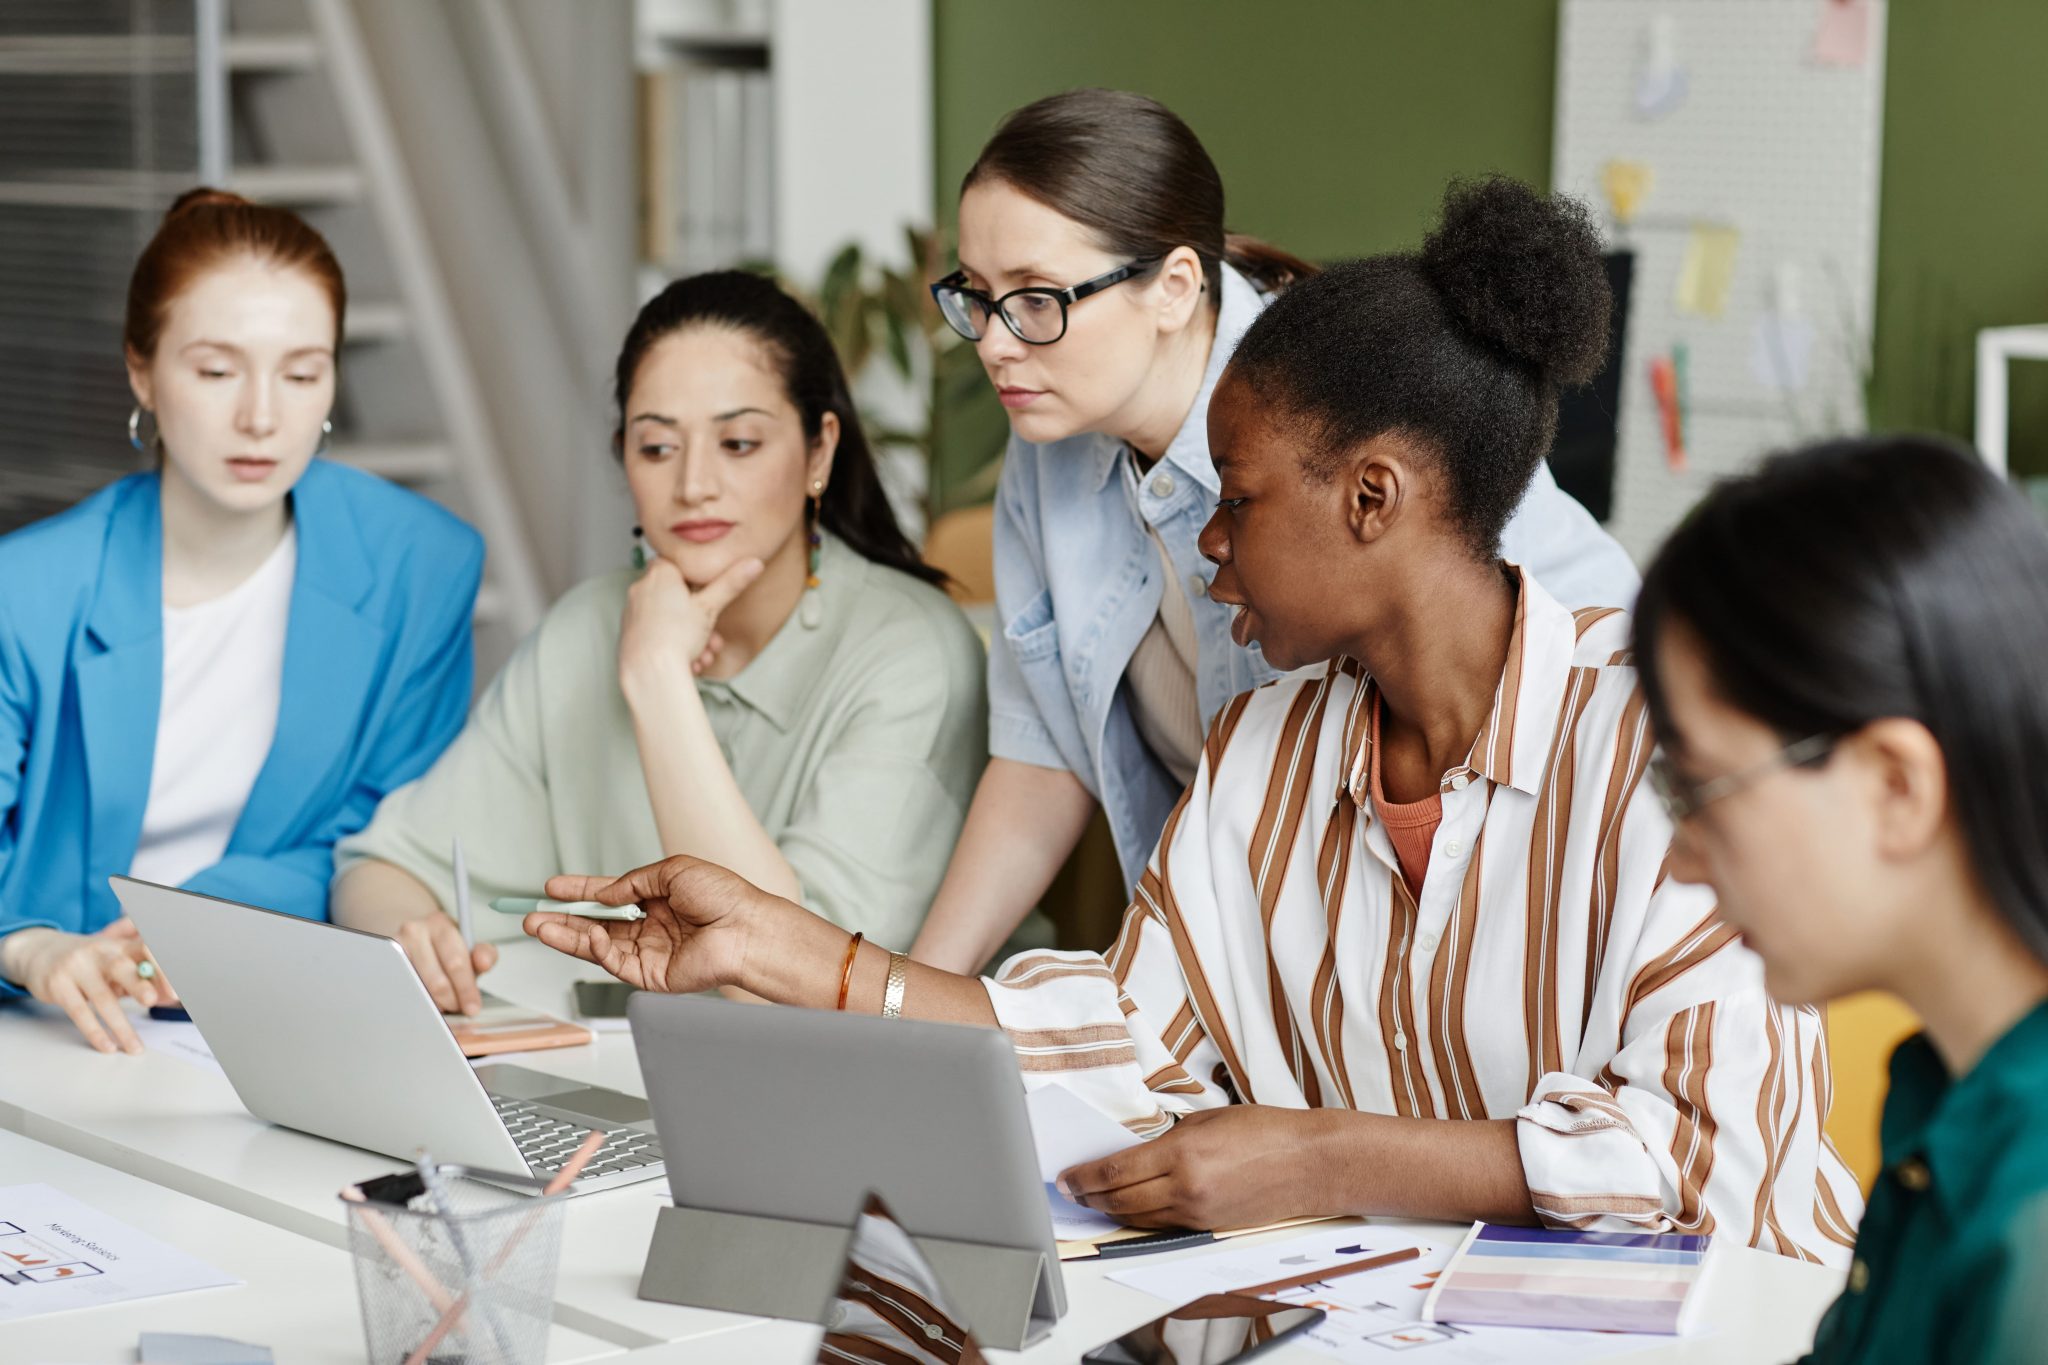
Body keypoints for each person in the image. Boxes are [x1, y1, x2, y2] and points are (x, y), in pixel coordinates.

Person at [520, 179, 1856, 1256]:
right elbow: (1126, 1033)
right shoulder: (1272, 747)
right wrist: (793, 955)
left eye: (1240, 498)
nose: (1203, 543)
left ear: (1373, 501)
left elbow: (1698, 1155)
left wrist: (1313, 1152)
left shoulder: (1677, 744)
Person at [911, 89, 1640, 974]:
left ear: (1175, 286)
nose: (993, 342)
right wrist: (908, 1002)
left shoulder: (1345, 412)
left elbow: (1591, 697)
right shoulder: (1049, 439)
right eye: (976, 297)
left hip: (1456, 916)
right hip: (1245, 936)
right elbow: (1042, 758)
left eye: (1033, 299)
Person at [332, 270, 992, 1014]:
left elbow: (786, 996)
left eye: (738, 442)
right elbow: (379, 865)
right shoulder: (585, 626)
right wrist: (410, 939)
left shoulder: (914, 655)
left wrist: (655, 676)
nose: (694, 484)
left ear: (818, 452)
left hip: (865, 1097)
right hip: (618, 1079)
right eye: (655, 448)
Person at [0, 188, 484, 1054]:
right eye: (217, 370)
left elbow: (381, 826)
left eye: (302, 373)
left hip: (289, 1009)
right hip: (49, 1031)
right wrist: (33, 948)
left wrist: (196, 924)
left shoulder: (422, 566)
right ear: (141, 371)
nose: (263, 416)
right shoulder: (28, 591)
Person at [1632, 436, 2048, 1363]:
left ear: (1896, 785)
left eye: (1697, 792)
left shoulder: (2031, 1217)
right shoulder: (1948, 1098)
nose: (1685, 864)